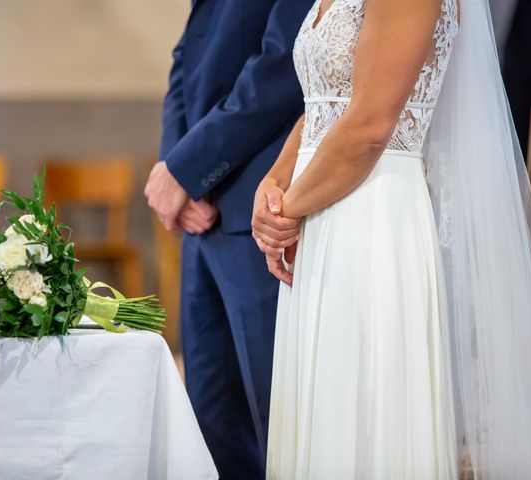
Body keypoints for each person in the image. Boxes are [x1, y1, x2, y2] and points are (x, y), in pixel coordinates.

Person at [252, 0, 531, 478]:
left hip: (371, 219)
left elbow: (370, 127)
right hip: (321, 207)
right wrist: (271, 187)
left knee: (365, 417)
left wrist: (287, 212)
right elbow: (323, 103)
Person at [144, 0, 313, 478]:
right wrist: (176, 169)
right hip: (200, 216)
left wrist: (189, 170)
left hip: (261, 209)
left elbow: (281, 65)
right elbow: (187, 57)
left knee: (274, 416)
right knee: (211, 422)